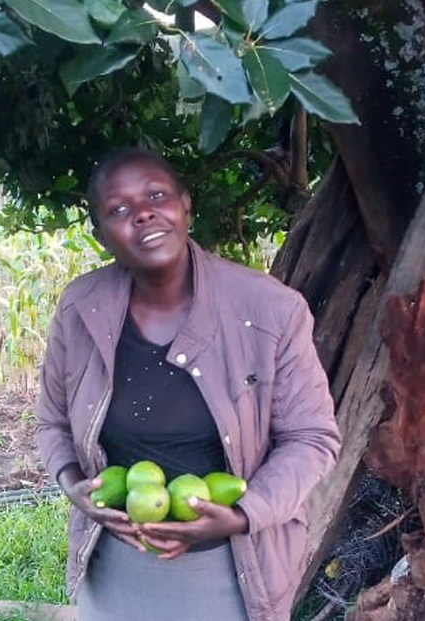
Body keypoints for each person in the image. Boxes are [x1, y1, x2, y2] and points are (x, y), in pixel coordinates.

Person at [35, 147, 341, 621]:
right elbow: (51, 422)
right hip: (115, 570)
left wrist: (242, 515)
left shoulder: (270, 310)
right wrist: (73, 484)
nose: (143, 214)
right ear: (100, 234)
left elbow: (312, 437)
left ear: (185, 204)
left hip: (234, 572)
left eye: (157, 195)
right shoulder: (82, 308)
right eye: (119, 209)